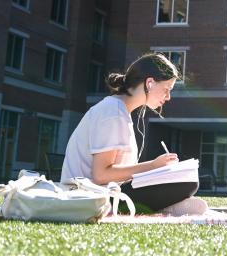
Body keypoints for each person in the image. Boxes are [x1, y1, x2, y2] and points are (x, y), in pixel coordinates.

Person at [61, 53, 207, 215]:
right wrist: (153, 166)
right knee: (187, 184)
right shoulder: (113, 113)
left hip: (102, 192)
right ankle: (164, 208)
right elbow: (101, 174)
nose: (168, 97)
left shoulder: (118, 110)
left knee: (186, 180)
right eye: (167, 89)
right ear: (150, 83)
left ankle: (161, 207)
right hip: (89, 196)